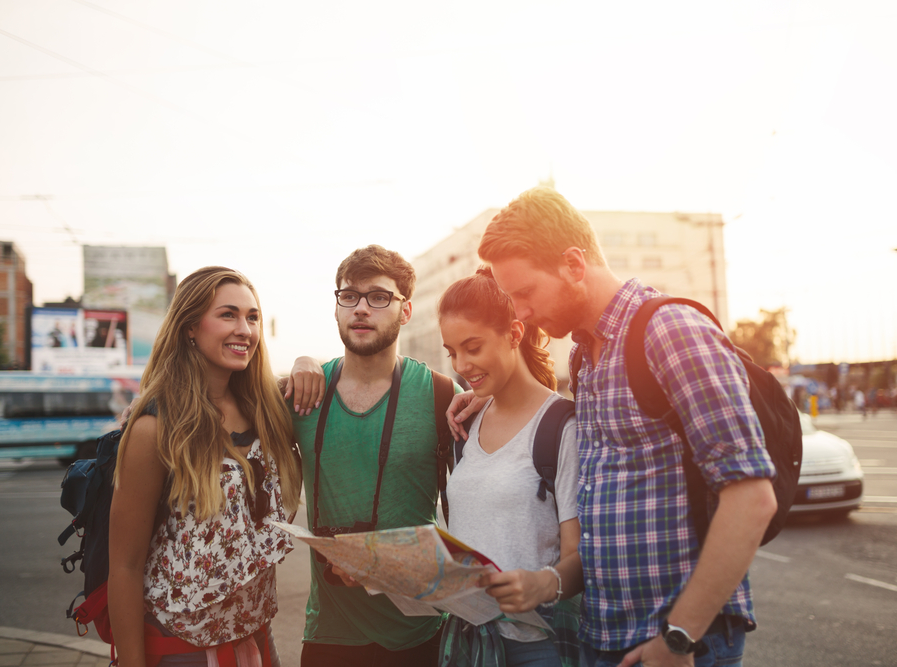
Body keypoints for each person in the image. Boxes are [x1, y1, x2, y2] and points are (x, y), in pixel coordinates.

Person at [450, 187, 778, 667]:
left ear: (574, 265)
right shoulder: (585, 355)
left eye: (524, 293)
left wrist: (679, 638)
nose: (519, 311)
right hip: (606, 635)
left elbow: (751, 497)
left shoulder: (670, 331)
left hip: (674, 642)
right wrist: (487, 396)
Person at [109, 266, 302, 667]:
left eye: (252, 317)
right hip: (181, 649)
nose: (245, 330)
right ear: (190, 327)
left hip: (257, 641)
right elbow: (125, 566)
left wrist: (307, 363)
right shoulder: (155, 427)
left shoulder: (267, 410)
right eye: (228, 315)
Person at [287, 245, 461, 667]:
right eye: (349, 296)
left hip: (420, 634)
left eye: (379, 297)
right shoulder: (301, 394)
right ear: (336, 308)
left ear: (405, 311)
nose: (361, 308)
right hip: (329, 635)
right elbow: (214, 405)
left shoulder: (441, 395)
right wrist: (144, 407)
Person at [437, 268, 583, 667]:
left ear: (515, 334)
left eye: (473, 347)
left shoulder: (561, 426)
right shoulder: (466, 423)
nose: (461, 364)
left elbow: (580, 559)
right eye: (452, 352)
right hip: (467, 642)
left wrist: (542, 583)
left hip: (535, 647)